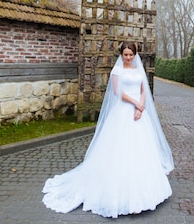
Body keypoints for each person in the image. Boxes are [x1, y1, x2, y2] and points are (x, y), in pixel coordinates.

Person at [42, 42, 173, 218]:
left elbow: (143, 89)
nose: (128, 57)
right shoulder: (117, 71)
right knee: (119, 150)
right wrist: (135, 104)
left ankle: (145, 193)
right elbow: (118, 92)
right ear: (121, 55)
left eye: (131, 54)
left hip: (139, 113)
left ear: (135, 55)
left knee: (141, 149)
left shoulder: (138, 70)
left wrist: (141, 106)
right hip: (123, 111)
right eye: (125, 54)